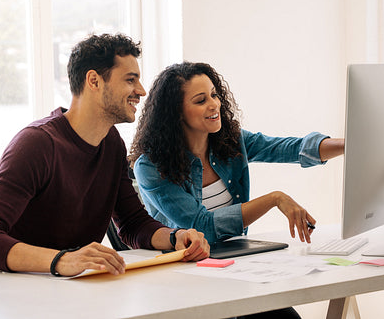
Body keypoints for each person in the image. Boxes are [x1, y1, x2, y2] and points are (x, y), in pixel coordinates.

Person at [0, 34, 209, 277]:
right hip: (15, 290)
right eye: (130, 80)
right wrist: (62, 260)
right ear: (94, 81)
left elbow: (134, 224)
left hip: (69, 286)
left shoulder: (112, 143)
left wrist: (177, 236)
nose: (142, 91)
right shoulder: (36, 144)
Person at [130, 61, 345, 245]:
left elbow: (290, 148)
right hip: (180, 269)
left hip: (233, 257)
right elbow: (202, 225)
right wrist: (274, 199)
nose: (214, 104)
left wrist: (350, 145)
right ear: (175, 114)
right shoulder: (150, 167)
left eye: (214, 95)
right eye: (201, 100)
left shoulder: (231, 141)